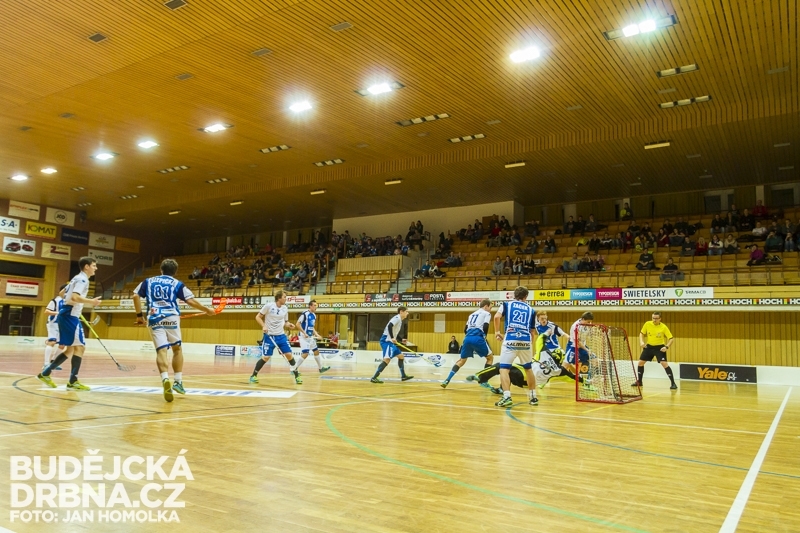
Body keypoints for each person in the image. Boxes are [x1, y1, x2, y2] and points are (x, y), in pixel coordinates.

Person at [133, 258, 216, 402]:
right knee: (177, 349)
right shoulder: (177, 283)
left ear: (161, 270)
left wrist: (139, 316)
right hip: (172, 317)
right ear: (175, 272)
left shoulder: (148, 281)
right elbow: (190, 300)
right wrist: (207, 310)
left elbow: (135, 296)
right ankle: (178, 381)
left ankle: (165, 378)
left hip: (154, 317)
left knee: (161, 351)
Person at [37, 257, 102, 391]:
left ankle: (46, 373)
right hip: (70, 315)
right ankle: (73, 381)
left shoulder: (76, 278)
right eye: (94, 265)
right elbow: (74, 297)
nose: (96, 268)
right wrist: (91, 302)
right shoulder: (83, 280)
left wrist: (73, 301)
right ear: (86, 266)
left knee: (70, 349)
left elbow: (62, 293)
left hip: (67, 313)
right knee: (80, 348)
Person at [493, 286, 537, 407]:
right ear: (526, 297)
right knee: (528, 369)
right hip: (526, 340)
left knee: (504, 369)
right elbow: (532, 331)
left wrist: (497, 332)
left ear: (514, 295)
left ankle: (507, 396)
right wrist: (529, 345)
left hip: (511, 338)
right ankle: (533, 397)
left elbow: (496, 317)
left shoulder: (507, 304)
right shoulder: (531, 310)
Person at [250, 290, 303, 385]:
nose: (286, 299)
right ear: (279, 298)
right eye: (284, 297)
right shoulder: (269, 306)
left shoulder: (285, 308)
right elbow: (258, 317)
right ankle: (253, 375)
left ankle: (297, 376)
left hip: (281, 336)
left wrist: (289, 324)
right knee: (266, 357)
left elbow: (285, 322)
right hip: (269, 336)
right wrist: (263, 326)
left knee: (289, 355)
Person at [441, 299, 493, 388]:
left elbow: (465, 329)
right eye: (490, 308)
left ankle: (447, 379)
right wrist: (484, 336)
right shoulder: (486, 313)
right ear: (486, 306)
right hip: (478, 338)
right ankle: (483, 380)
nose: (490, 310)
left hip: (467, 338)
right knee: (490, 358)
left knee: (461, 361)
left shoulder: (471, 315)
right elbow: (485, 326)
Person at [633, 312, 677, 390]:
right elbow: (641, 333)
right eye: (653, 318)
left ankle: (673, 383)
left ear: (660, 319)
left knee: (664, 363)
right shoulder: (647, 324)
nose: (654, 320)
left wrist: (666, 347)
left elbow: (671, 338)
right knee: (640, 363)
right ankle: (639, 381)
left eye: (656, 318)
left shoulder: (663, 327)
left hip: (659, 347)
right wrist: (641, 342)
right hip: (649, 347)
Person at [370, 307, 413, 383]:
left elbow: (394, 332)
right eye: (406, 311)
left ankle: (403, 376)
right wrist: (392, 338)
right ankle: (374, 377)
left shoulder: (399, 320)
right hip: (386, 341)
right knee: (387, 359)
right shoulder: (397, 318)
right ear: (401, 312)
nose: (408, 313)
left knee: (401, 356)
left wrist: (401, 339)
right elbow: (390, 326)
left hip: (390, 342)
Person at [294, 300, 331, 375]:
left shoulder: (314, 315)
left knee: (316, 351)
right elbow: (297, 324)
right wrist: (304, 333)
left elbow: (312, 327)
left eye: (316, 305)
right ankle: (294, 369)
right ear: (310, 306)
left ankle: (321, 368)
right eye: (314, 305)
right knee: (305, 353)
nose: (316, 307)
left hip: (310, 337)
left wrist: (317, 334)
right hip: (303, 337)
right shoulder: (305, 314)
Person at [42, 284, 67, 370]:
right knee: (52, 342)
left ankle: (54, 363)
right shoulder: (55, 300)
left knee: (62, 345)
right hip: (53, 324)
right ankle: (46, 364)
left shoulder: (67, 302)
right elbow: (46, 311)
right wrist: (58, 313)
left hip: (62, 325)